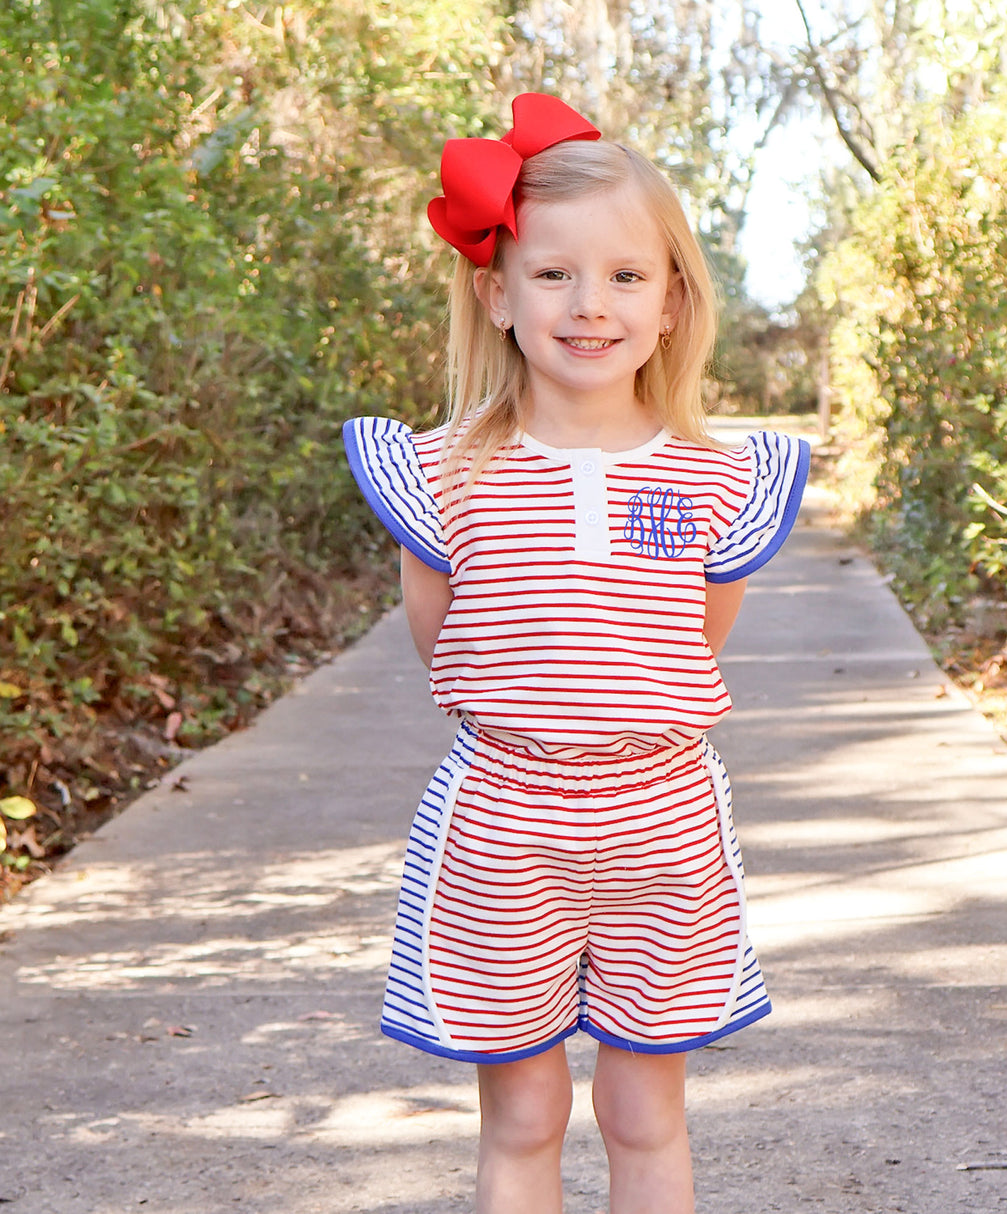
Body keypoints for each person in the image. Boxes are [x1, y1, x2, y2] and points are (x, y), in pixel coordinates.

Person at [342, 93, 809, 1214]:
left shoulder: (716, 478)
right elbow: (446, 640)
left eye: (623, 276)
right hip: (503, 817)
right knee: (523, 1115)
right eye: (552, 275)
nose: (588, 304)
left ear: (669, 301)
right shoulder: (442, 471)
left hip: (662, 823)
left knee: (645, 1113)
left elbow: (686, 644)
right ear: (496, 294)